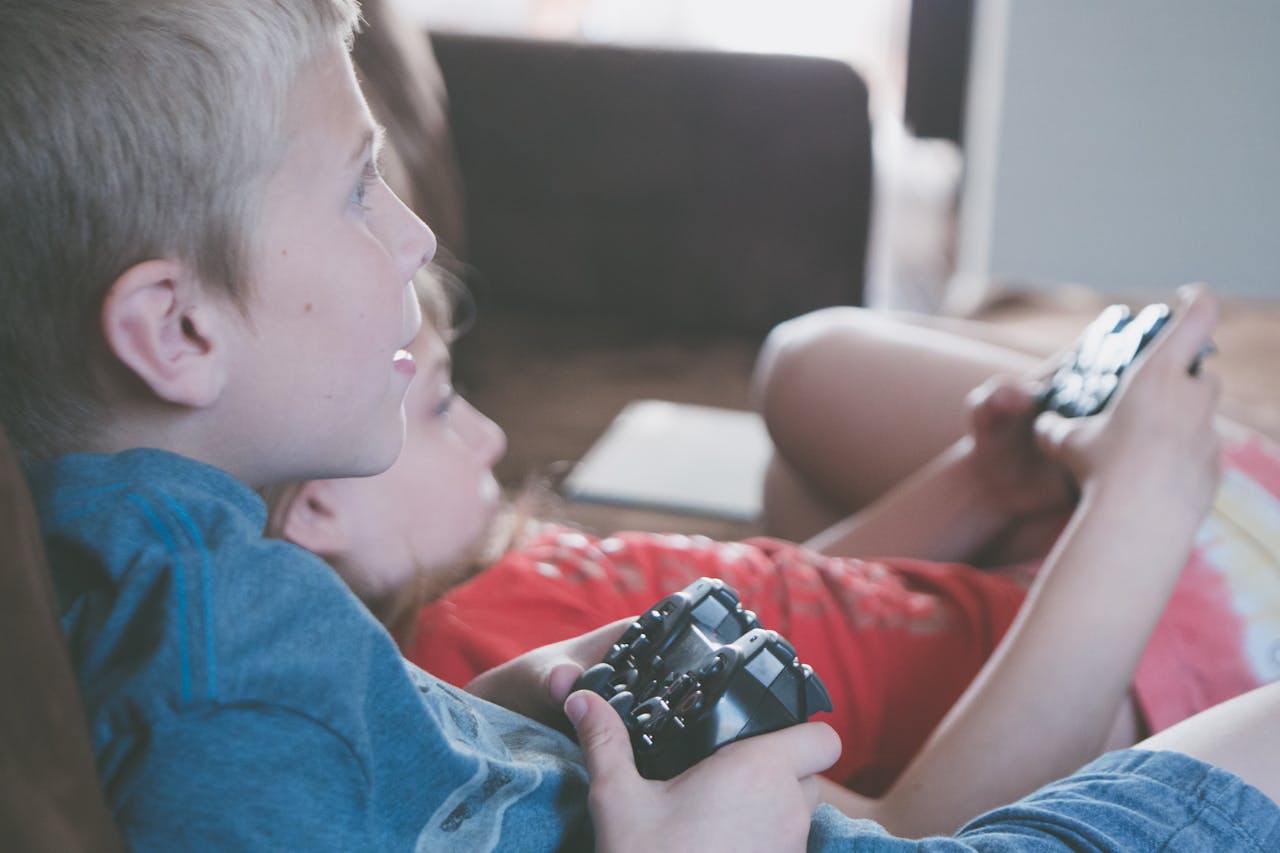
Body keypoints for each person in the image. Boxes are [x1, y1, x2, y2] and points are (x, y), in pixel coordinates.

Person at [4, 1, 1280, 849]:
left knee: (806, 395)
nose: (413, 232)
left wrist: (512, 706)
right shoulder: (225, 683)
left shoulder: (195, 581)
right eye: (354, 190)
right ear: (177, 332)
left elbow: (406, 776)